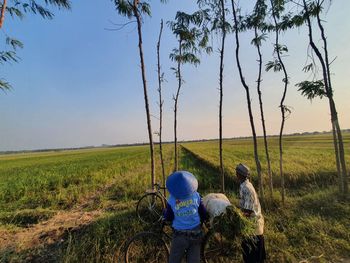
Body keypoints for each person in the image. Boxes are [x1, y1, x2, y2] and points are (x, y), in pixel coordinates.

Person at [163, 171, 207, 263]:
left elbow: (169, 217)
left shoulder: (171, 200)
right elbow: (203, 212)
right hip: (196, 233)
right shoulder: (196, 196)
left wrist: (165, 213)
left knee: (174, 260)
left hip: (180, 235)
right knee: (194, 260)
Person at [235, 163, 266, 263]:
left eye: (237, 173)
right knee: (250, 253)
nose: (236, 175)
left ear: (239, 175)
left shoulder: (246, 188)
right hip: (251, 223)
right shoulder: (245, 184)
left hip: (253, 225)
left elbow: (248, 211)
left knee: (252, 255)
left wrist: (237, 215)